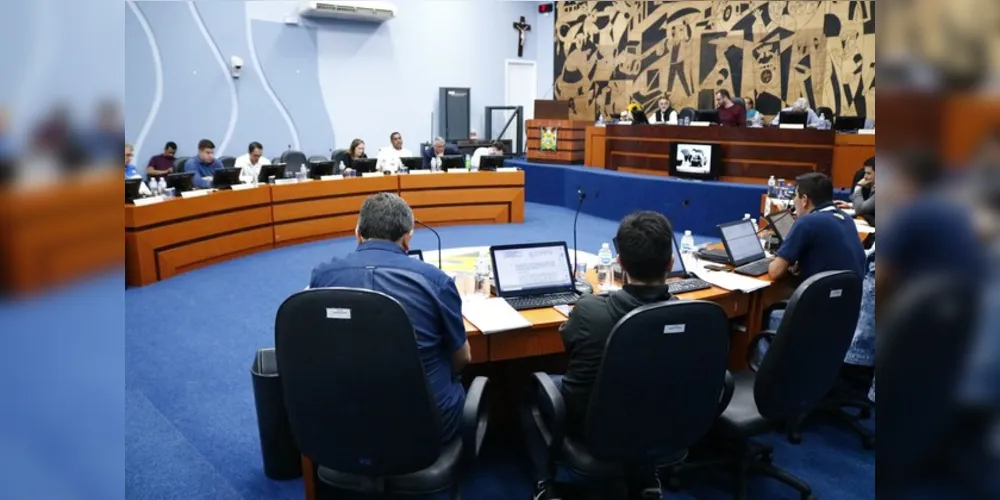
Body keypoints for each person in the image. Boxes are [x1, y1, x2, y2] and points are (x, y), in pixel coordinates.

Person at [527, 211, 679, 500]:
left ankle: (545, 484)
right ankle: (646, 477)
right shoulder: (686, 314)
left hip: (592, 428)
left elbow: (568, 343)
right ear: (671, 263)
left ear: (619, 263)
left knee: (531, 389)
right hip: (662, 423)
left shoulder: (589, 310)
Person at [309, 193, 471, 444]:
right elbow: (463, 358)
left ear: (358, 234)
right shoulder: (435, 281)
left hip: (346, 417)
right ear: (408, 238)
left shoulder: (322, 276)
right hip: (425, 424)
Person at [767, 172, 866, 282]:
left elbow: (775, 272)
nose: (794, 200)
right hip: (851, 291)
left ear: (804, 200)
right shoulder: (846, 218)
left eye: (795, 195)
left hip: (821, 291)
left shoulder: (806, 222)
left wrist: (771, 261)